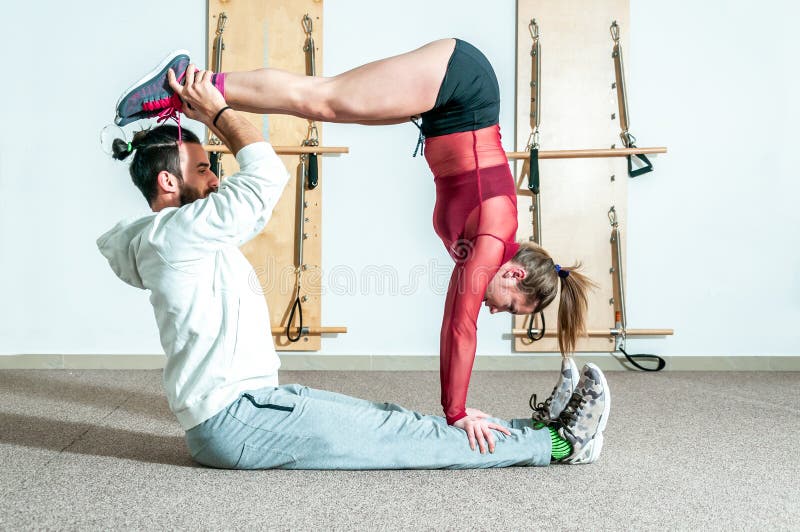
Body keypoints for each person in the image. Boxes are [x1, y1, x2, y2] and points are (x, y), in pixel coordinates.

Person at [110, 43, 606, 463]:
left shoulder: (482, 247)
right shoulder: (494, 236)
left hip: (445, 107)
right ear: (515, 272)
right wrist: (456, 410)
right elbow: (460, 325)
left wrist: (458, 407)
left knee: (321, 101)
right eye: (509, 304)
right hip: (463, 89)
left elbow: (459, 318)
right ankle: (187, 82)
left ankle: (540, 428)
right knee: (321, 101)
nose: (496, 309)